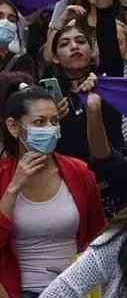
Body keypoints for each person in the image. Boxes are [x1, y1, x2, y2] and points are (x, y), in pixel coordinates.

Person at [0, 85, 106, 298]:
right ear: (13, 127)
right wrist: (13, 189)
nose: (50, 128)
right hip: (20, 291)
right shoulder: (2, 176)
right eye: (40, 122)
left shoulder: (80, 172)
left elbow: (98, 236)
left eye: (55, 121)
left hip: (74, 288)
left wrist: (81, 271)